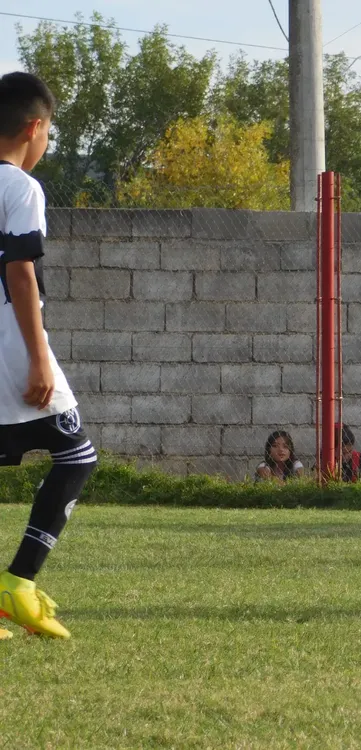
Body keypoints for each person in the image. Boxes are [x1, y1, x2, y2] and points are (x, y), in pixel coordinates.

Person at [0, 72, 97, 640]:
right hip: (12, 352)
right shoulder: (18, 187)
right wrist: (39, 359)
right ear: (34, 128)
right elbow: (19, 271)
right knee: (76, 455)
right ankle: (19, 583)